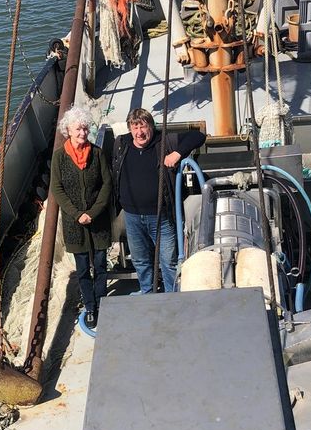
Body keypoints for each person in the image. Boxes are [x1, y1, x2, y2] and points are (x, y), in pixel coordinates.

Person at [113, 108, 206, 293]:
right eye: (135, 127)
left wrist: (178, 153)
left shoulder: (163, 141)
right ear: (130, 129)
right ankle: (148, 294)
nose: (139, 132)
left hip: (161, 217)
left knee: (168, 261)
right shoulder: (121, 144)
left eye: (143, 127)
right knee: (140, 260)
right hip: (132, 217)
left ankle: (173, 297)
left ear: (151, 127)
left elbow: (198, 136)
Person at [49, 105, 112, 329]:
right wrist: (77, 215)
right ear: (68, 130)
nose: (82, 133)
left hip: (99, 222)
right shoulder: (59, 158)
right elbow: (57, 189)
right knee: (83, 269)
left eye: (85, 129)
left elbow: (106, 184)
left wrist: (93, 213)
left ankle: (103, 302)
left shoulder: (97, 153)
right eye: (78, 129)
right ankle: (91, 306)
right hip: (75, 225)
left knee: (101, 265)